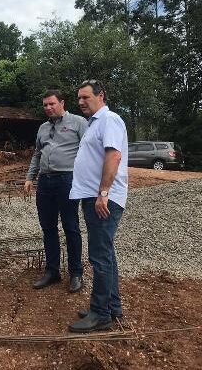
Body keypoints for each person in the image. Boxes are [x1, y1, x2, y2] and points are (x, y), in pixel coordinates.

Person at [68, 79, 128, 333]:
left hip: (104, 199)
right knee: (106, 254)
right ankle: (112, 307)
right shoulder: (94, 123)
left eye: (86, 97)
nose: (81, 102)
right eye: (79, 98)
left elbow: (114, 156)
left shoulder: (109, 120)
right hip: (95, 197)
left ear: (100, 96)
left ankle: (100, 313)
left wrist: (103, 193)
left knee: (99, 257)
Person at [25, 90, 88, 294]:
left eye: (52, 104)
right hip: (45, 182)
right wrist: (29, 178)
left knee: (71, 227)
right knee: (48, 227)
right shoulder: (43, 128)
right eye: (45, 105)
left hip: (67, 180)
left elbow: (90, 150)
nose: (48, 108)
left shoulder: (78, 123)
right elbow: (37, 154)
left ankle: (76, 273)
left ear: (62, 103)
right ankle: (52, 271)